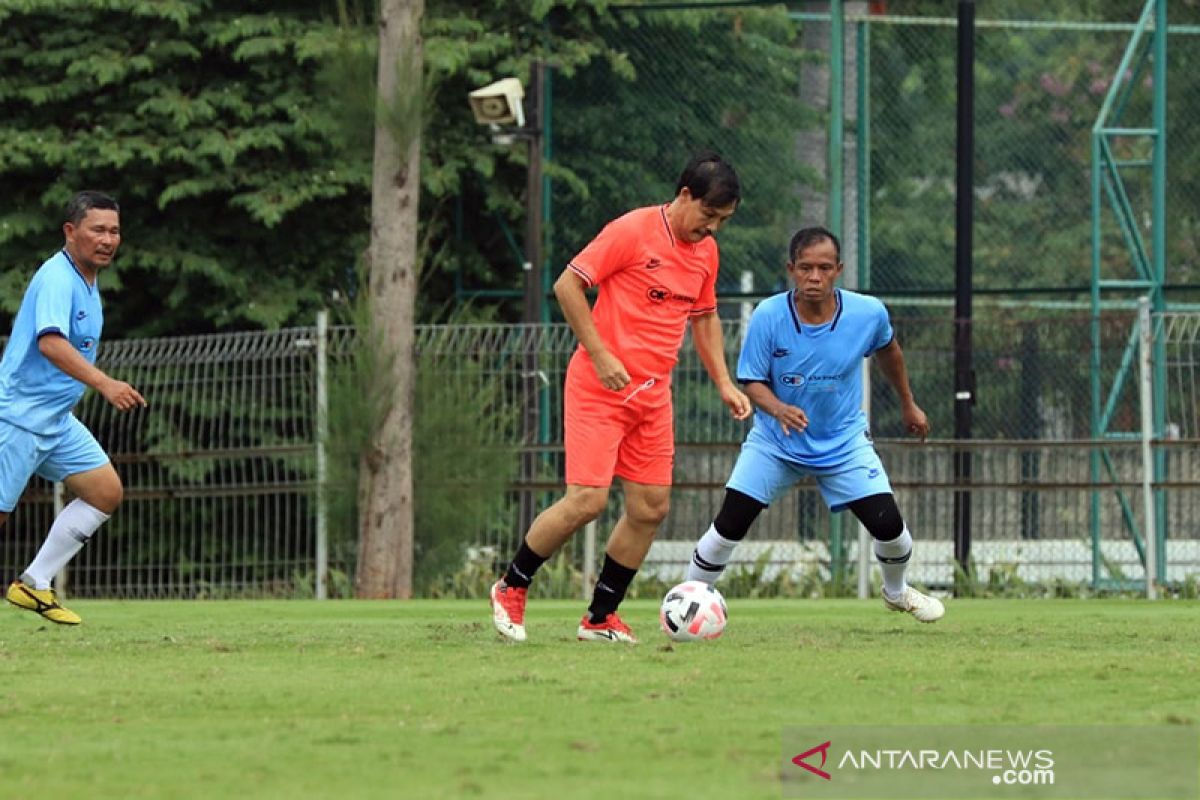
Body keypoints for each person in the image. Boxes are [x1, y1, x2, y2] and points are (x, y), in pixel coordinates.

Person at [490, 152, 753, 643]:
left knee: (650, 508)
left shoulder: (706, 253)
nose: (713, 228)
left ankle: (600, 618)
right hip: (599, 387)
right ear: (684, 196)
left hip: (653, 397)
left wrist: (723, 381)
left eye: (723, 221)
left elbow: (705, 317)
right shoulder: (633, 231)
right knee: (587, 501)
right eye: (709, 215)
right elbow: (568, 284)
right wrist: (601, 353)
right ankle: (511, 586)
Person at [685, 226, 944, 622]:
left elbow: (889, 351)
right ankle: (687, 603)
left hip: (843, 442)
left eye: (824, 268)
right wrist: (778, 409)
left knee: (890, 527)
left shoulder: (868, 313)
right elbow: (751, 381)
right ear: (791, 269)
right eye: (805, 268)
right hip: (776, 442)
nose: (814, 277)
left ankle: (896, 592)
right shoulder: (769, 315)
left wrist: (909, 404)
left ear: (838, 270)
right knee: (728, 525)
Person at [1, 191, 146, 625]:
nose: (107, 239)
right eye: (97, 229)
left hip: (56, 421)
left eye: (114, 231)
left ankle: (35, 584)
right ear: (71, 231)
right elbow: (50, 342)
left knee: (104, 492)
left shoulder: (87, 279)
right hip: (18, 419)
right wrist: (104, 383)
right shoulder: (57, 278)